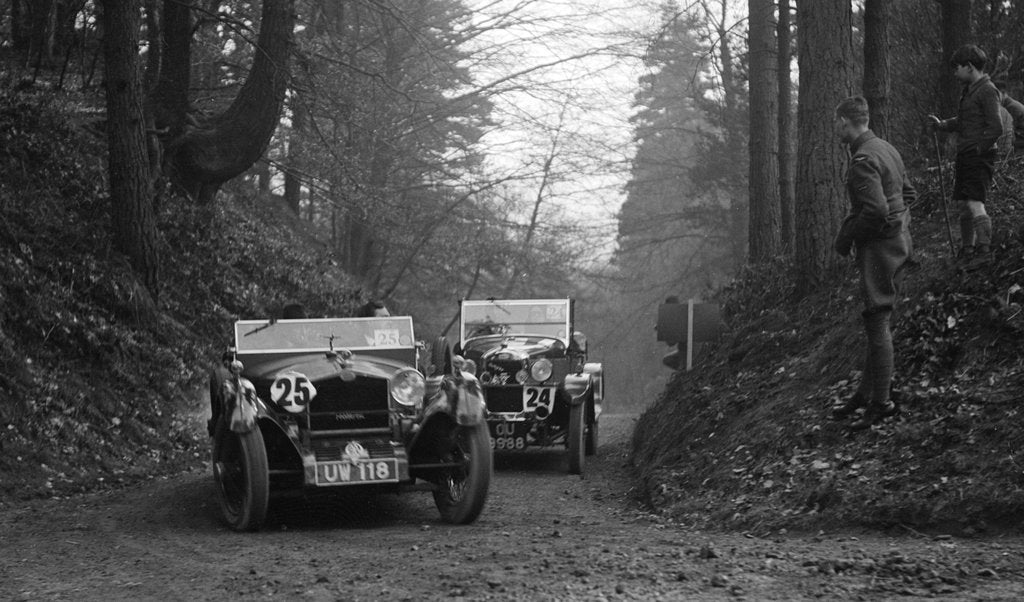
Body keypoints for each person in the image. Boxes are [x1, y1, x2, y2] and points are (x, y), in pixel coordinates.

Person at [832, 96, 915, 430]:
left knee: (877, 319)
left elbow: (878, 210)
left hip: (880, 248)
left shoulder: (864, 159)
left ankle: (881, 403)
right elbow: (907, 196)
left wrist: (851, 236)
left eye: (837, 122)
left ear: (846, 122)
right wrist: (898, 226)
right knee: (877, 319)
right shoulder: (886, 148)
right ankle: (866, 394)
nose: (836, 127)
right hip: (896, 243)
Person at [928, 44, 1003, 262]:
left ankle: (984, 252)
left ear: (969, 67)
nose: (955, 72)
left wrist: (980, 149)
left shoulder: (988, 90)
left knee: (974, 202)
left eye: (957, 68)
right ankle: (968, 250)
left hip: (978, 156)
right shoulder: (970, 91)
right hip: (966, 155)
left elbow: (996, 127)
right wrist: (942, 125)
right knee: (963, 204)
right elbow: (963, 122)